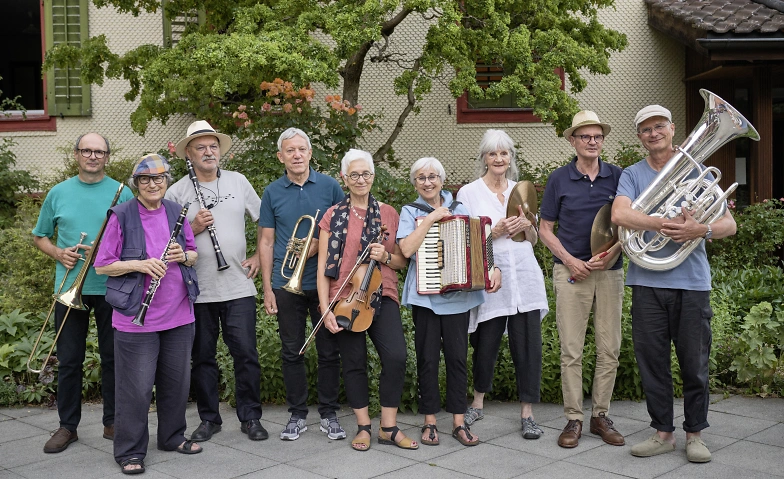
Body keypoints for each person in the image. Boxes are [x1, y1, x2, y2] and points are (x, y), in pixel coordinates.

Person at [612, 105, 736, 463]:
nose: (654, 133)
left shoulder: (698, 172)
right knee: (652, 361)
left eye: (659, 126)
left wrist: (702, 229)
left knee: (694, 363)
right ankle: (662, 432)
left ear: (672, 128)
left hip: (692, 283)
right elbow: (620, 214)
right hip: (647, 283)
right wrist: (660, 224)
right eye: (646, 129)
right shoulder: (632, 174)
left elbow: (729, 225)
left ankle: (695, 434)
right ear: (640, 137)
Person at [94, 154, 202, 474]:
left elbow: (194, 254)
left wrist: (184, 255)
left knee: (177, 384)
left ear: (167, 181)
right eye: (145, 179)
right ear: (136, 184)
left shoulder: (176, 211)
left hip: (179, 313)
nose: (153, 184)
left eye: (158, 178)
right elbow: (103, 265)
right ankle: (129, 450)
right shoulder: (122, 214)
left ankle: (171, 437)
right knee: (136, 389)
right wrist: (140, 264)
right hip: (135, 317)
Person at [32, 133, 134, 453]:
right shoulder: (58, 193)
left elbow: (135, 238)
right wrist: (58, 253)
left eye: (99, 151)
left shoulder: (123, 192)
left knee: (113, 358)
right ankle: (67, 427)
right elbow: (41, 237)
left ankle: (113, 421)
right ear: (77, 154)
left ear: (107, 156)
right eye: (87, 150)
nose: (92, 156)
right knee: (70, 360)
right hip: (68, 288)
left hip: (110, 287)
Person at [165, 120, 267, 442]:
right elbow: (164, 240)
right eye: (201, 148)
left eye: (213, 146)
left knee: (246, 354)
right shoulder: (177, 191)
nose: (209, 152)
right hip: (196, 288)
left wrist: (257, 257)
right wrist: (192, 228)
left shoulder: (238, 182)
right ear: (190, 155)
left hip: (238, 285)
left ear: (219, 151)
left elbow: (266, 221)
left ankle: (250, 417)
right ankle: (209, 418)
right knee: (203, 358)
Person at [316, 149, 416, 452]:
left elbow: (401, 261)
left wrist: (385, 255)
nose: (361, 179)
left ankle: (388, 427)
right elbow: (323, 268)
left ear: (373, 176)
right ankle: (362, 426)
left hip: (381, 293)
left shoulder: (388, 213)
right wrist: (325, 309)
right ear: (344, 178)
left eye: (366, 174)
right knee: (354, 363)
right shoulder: (333, 215)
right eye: (354, 174)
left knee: (396, 357)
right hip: (344, 298)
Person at [398, 157, 501, 447]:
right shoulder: (410, 211)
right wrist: (430, 219)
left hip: (458, 299)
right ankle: (429, 421)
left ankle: (458, 422)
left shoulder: (461, 210)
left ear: (442, 181)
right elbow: (406, 249)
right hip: (426, 298)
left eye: (432, 176)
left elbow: (483, 240)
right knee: (427, 360)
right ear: (415, 183)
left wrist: (492, 268)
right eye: (421, 178)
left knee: (457, 360)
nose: (427, 182)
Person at [539, 111, 626, 448]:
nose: (592, 142)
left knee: (610, 349)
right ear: (573, 141)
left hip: (609, 273)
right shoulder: (558, 179)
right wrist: (571, 260)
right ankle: (574, 419)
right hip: (570, 272)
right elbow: (545, 230)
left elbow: (627, 224)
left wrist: (614, 250)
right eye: (585, 137)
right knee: (571, 350)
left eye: (598, 137)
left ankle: (600, 416)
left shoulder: (618, 176)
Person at [456, 129, 549, 439]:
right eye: (492, 153)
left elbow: (534, 240)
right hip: (490, 278)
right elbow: (464, 240)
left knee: (528, 346)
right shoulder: (468, 193)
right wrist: (492, 232)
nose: (498, 158)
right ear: (484, 157)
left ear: (511, 158)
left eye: (504, 153)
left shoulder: (521, 190)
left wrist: (528, 226)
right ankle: (478, 402)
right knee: (485, 342)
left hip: (524, 274)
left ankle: (527, 413)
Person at [258, 127, 346, 441]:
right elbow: (266, 242)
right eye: (290, 151)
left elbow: (341, 232)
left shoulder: (330, 186)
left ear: (310, 153)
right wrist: (268, 288)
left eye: (301, 149)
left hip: (325, 284)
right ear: (281, 156)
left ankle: (329, 413)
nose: (296, 155)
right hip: (287, 284)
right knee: (291, 352)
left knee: (328, 351)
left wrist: (315, 246)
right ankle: (297, 414)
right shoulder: (272, 192)